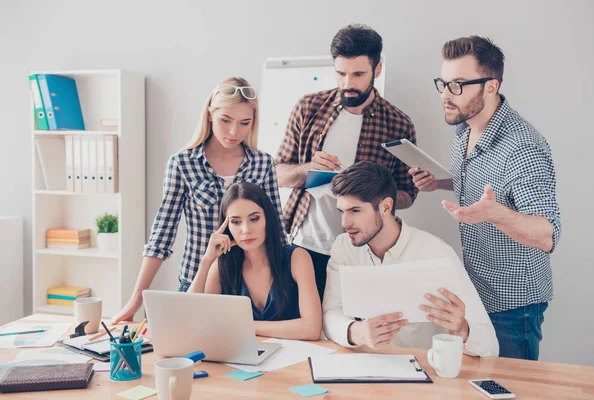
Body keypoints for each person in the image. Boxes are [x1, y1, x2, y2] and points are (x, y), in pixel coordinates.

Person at [409, 36, 561, 360]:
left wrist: (494, 214)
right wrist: (440, 183)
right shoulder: (464, 125)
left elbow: (547, 235)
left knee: (508, 389)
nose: (446, 96)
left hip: (512, 305)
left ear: (490, 87)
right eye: (444, 83)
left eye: (458, 85)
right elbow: (487, 183)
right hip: (475, 290)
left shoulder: (523, 148)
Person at [112, 77, 285, 324]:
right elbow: (162, 234)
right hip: (197, 282)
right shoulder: (183, 163)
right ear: (210, 115)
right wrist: (135, 300)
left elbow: (276, 228)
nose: (234, 132)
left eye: (244, 123)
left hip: (251, 288)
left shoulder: (263, 163)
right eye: (226, 120)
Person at [276, 24, 417, 301]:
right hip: (305, 246)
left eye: (358, 74)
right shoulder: (308, 108)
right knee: (303, 333)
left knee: (356, 334)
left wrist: (372, 194)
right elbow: (278, 174)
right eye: (341, 73)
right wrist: (308, 169)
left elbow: (408, 196)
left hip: (364, 252)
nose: (348, 83)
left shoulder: (398, 124)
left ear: (377, 70)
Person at [323, 161, 498, 357]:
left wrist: (462, 329)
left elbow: (489, 345)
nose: (344, 223)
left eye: (355, 211)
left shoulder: (437, 253)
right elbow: (331, 311)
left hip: (426, 372)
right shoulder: (344, 246)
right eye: (342, 211)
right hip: (368, 367)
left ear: (385, 207)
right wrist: (357, 332)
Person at [187, 182, 322, 340]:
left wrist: (244, 326)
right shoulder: (221, 265)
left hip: (291, 359)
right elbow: (192, 322)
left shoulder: (297, 258)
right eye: (236, 222)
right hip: (239, 356)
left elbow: (312, 329)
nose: (246, 229)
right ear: (227, 225)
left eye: (254, 219)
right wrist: (206, 261)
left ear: (267, 219)